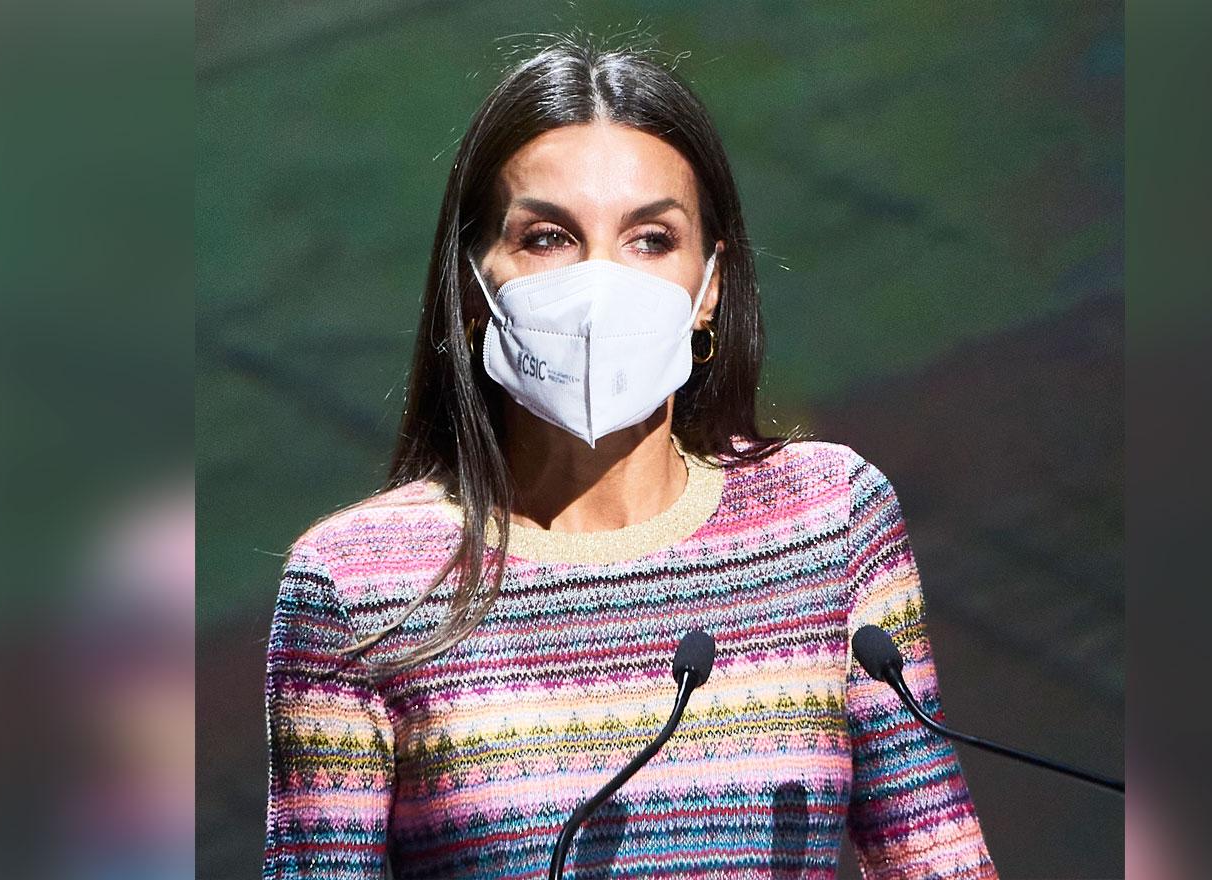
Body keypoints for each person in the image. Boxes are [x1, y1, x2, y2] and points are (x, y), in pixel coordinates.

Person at [262, 35, 998, 880]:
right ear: (471, 282)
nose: (600, 286)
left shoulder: (829, 518)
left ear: (710, 284)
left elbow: (938, 860)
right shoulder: (358, 585)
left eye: (651, 239)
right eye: (547, 238)